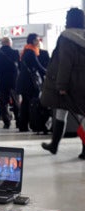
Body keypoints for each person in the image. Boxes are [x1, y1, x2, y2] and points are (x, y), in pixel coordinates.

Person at [40, 7, 85, 159]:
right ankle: (54, 144)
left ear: (69, 20)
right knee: (62, 111)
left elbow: (65, 63)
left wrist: (61, 86)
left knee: (79, 115)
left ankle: (82, 148)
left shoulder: (67, 37)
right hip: (82, 82)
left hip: (70, 84)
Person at [16, 33, 46, 132]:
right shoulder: (31, 52)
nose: (39, 42)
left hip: (24, 81)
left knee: (25, 103)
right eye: (37, 40)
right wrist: (48, 73)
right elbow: (37, 66)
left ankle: (23, 125)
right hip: (29, 82)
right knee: (31, 104)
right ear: (33, 41)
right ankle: (32, 124)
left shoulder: (26, 50)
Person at [0, 37, 21, 129]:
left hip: (2, 81)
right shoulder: (15, 52)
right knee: (16, 102)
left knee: (3, 103)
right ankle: (18, 121)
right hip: (14, 81)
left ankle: (7, 122)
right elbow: (19, 66)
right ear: (9, 43)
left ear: (2, 43)